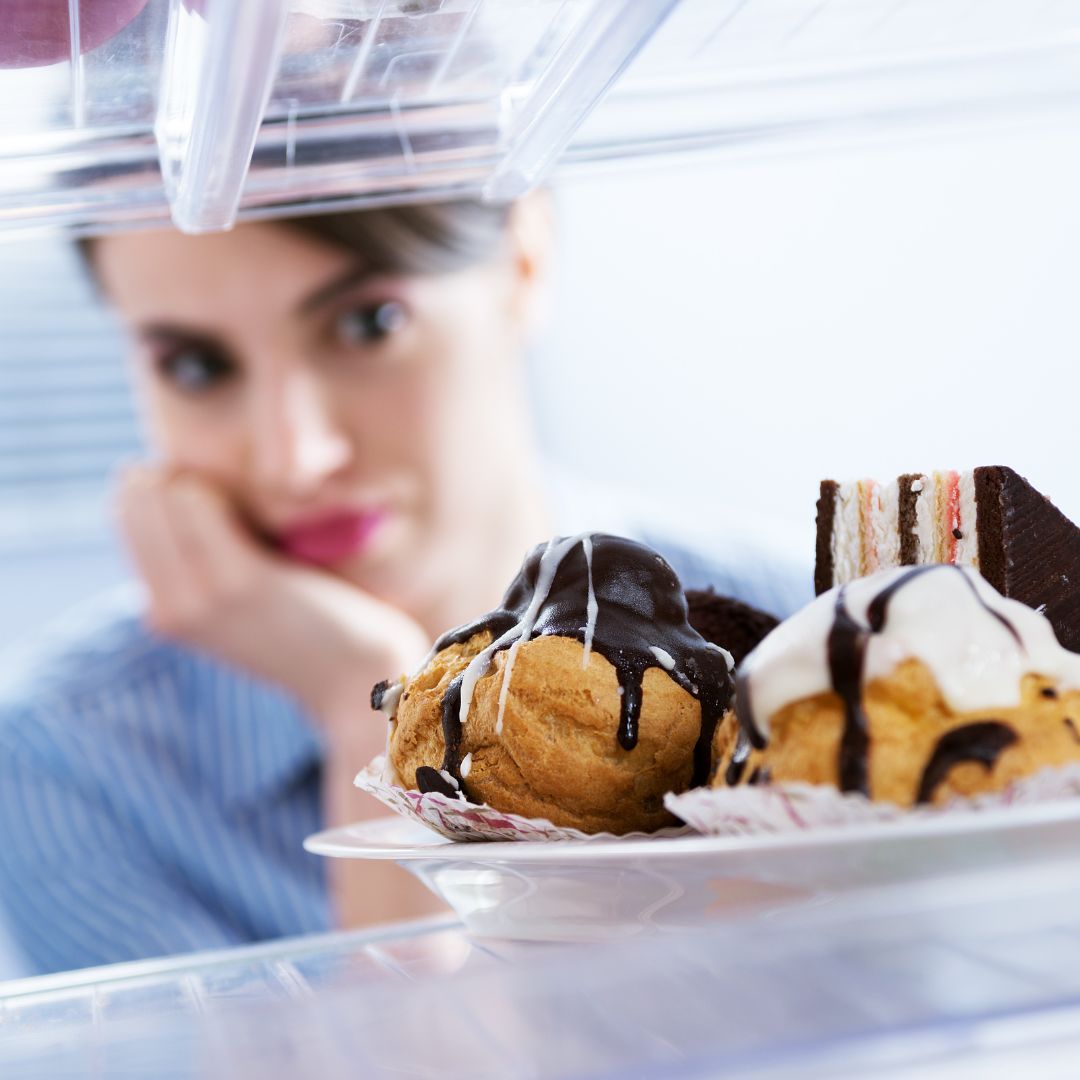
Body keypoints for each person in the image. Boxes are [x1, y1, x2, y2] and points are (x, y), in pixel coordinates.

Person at [0, 195, 810, 975]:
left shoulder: (818, 626)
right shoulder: (68, 762)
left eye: (368, 324)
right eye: (197, 365)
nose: (297, 455)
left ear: (523, 259)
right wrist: (374, 709)